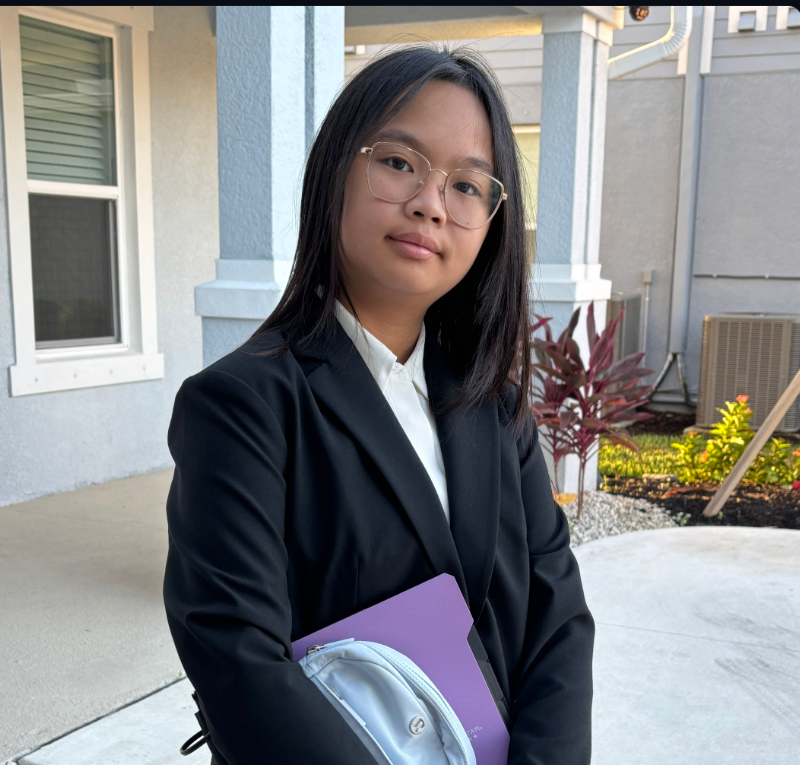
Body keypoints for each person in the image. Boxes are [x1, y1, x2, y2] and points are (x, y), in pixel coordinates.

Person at [163, 45, 594, 765]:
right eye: (398, 162)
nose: (430, 203)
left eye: (467, 185)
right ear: (335, 171)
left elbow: (559, 619)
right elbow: (239, 666)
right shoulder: (241, 408)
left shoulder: (496, 406)